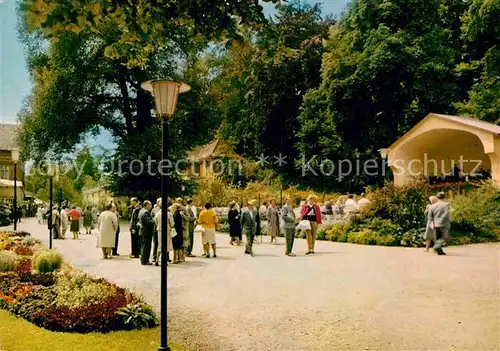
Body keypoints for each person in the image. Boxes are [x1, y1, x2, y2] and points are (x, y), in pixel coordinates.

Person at [153, 199, 174, 266]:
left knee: (160, 245)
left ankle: (157, 260)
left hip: (159, 230)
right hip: (167, 230)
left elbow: (155, 222)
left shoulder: (157, 214)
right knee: (166, 245)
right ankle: (164, 261)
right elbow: (172, 223)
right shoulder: (169, 214)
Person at [138, 200, 155, 265]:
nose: (151, 206)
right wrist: (154, 219)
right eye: (150, 205)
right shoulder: (146, 212)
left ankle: (143, 259)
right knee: (146, 247)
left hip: (143, 231)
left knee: (143, 246)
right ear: (146, 205)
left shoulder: (141, 211)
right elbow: (149, 222)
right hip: (146, 232)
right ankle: (145, 260)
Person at [151, 198, 161, 263]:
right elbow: (151, 217)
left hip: (163, 229)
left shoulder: (167, 209)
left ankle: (166, 257)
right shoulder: (154, 210)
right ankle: (154, 257)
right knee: (156, 243)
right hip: (156, 228)